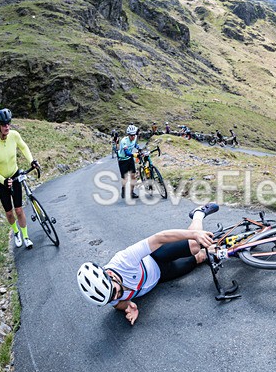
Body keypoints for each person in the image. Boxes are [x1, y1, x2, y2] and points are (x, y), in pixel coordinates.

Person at [76, 203, 220, 325]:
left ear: (110, 274)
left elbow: (159, 238)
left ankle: (198, 213)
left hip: (156, 256)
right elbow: (117, 304)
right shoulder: (107, 293)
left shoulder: (124, 260)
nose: (115, 297)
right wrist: (128, 306)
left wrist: (194, 234)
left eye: (114, 292)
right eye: (109, 299)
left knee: (194, 244)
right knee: (200, 257)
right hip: (161, 275)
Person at [0, 108, 40, 249]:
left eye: (8, 124)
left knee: (19, 210)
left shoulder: (14, 135)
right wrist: (3, 181)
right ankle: (16, 232)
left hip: (15, 175)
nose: (7, 127)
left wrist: (31, 161)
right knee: (9, 213)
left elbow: (24, 147)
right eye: (4, 125)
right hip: (2, 182)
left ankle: (26, 237)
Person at [117, 124, 140, 199]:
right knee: (125, 178)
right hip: (122, 160)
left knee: (133, 176)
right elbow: (126, 152)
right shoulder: (124, 141)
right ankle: (124, 190)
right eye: (131, 135)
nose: (133, 137)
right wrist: (134, 154)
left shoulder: (134, 138)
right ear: (128, 135)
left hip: (130, 159)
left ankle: (131, 192)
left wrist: (139, 149)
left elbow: (135, 145)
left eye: (134, 135)